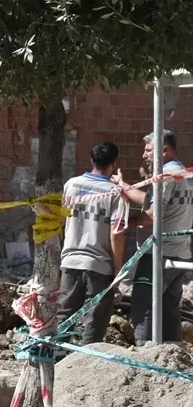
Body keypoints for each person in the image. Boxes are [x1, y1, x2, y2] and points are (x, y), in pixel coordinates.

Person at [113, 130, 190, 342]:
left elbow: (152, 215)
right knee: (169, 309)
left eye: (148, 150)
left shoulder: (164, 177)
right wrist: (123, 186)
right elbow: (149, 201)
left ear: (164, 151)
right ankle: (173, 353)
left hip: (158, 254)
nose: (144, 155)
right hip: (179, 253)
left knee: (143, 305)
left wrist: (127, 223)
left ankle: (143, 356)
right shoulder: (183, 173)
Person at [56, 142, 126, 344]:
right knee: (94, 321)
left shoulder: (71, 184)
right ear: (113, 164)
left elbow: (63, 220)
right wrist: (119, 268)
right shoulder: (115, 193)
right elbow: (116, 234)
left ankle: (59, 364)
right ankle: (89, 364)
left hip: (70, 261)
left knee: (65, 317)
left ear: (91, 160)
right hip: (99, 265)